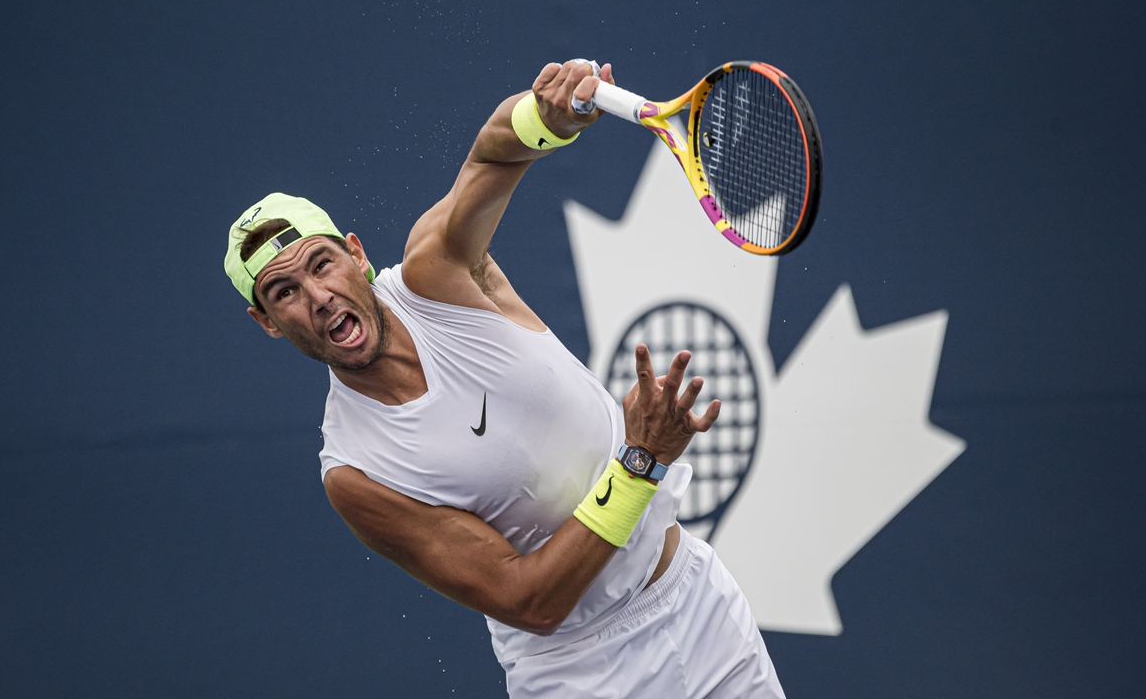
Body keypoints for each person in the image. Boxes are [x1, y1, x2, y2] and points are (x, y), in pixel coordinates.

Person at [222, 60, 785, 699]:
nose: (318, 297)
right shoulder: (356, 472)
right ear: (267, 323)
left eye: (322, 264)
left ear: (356, 253)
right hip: (584, 673)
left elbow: (491, 155)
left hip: (699, 603)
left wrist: (546, 118)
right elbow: (529, 600)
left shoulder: (436, 272)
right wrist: (640, 462)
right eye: (284, 292)